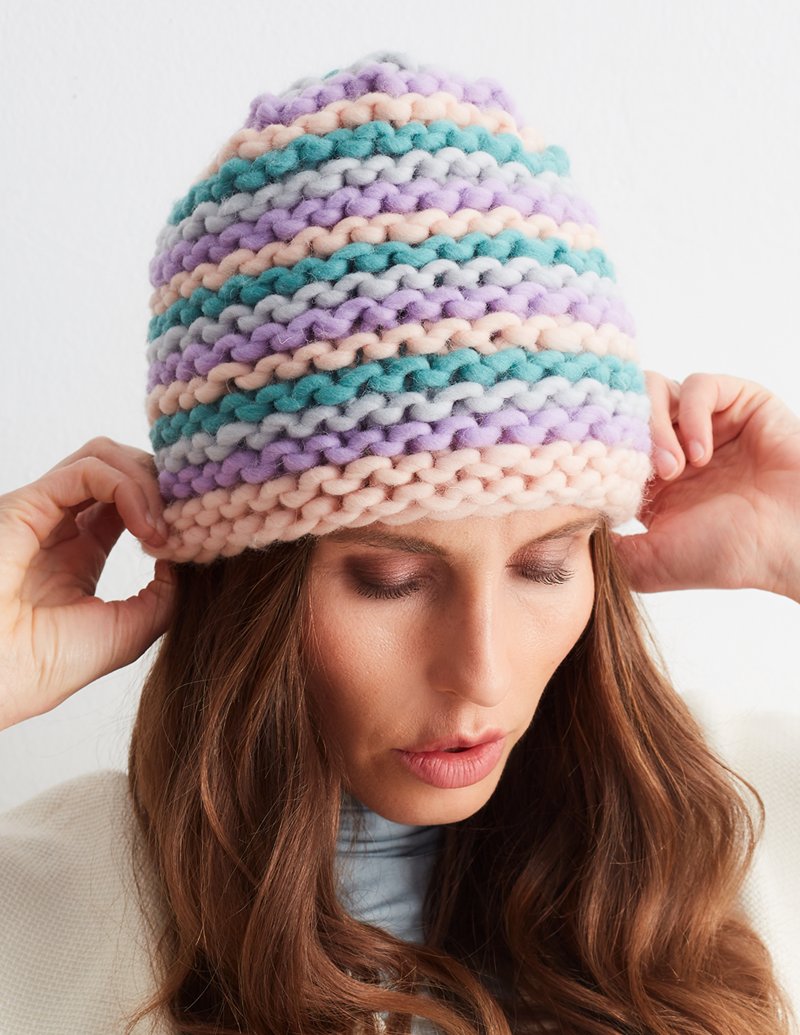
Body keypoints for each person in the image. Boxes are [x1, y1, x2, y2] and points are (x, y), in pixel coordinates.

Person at [0, 50, 798, 1035]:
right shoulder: (45, 915)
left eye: (546, 566)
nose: (482, 673)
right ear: (249, 580)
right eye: (390, 580)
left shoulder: (740, 824)